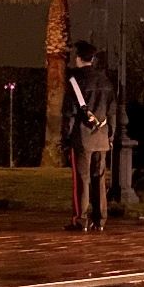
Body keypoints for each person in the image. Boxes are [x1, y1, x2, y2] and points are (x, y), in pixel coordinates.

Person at [61, 41, 116, 231]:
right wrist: (110, 136)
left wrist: (66, 138)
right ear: (92, 59)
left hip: (82, 138)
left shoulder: (75, 82)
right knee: (99, 179)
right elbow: (112, 112)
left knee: (82, 179)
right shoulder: (105, 81)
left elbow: (69, 114)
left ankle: (81, 219)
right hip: (102, 137)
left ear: (78, 58)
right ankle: (100, 220)